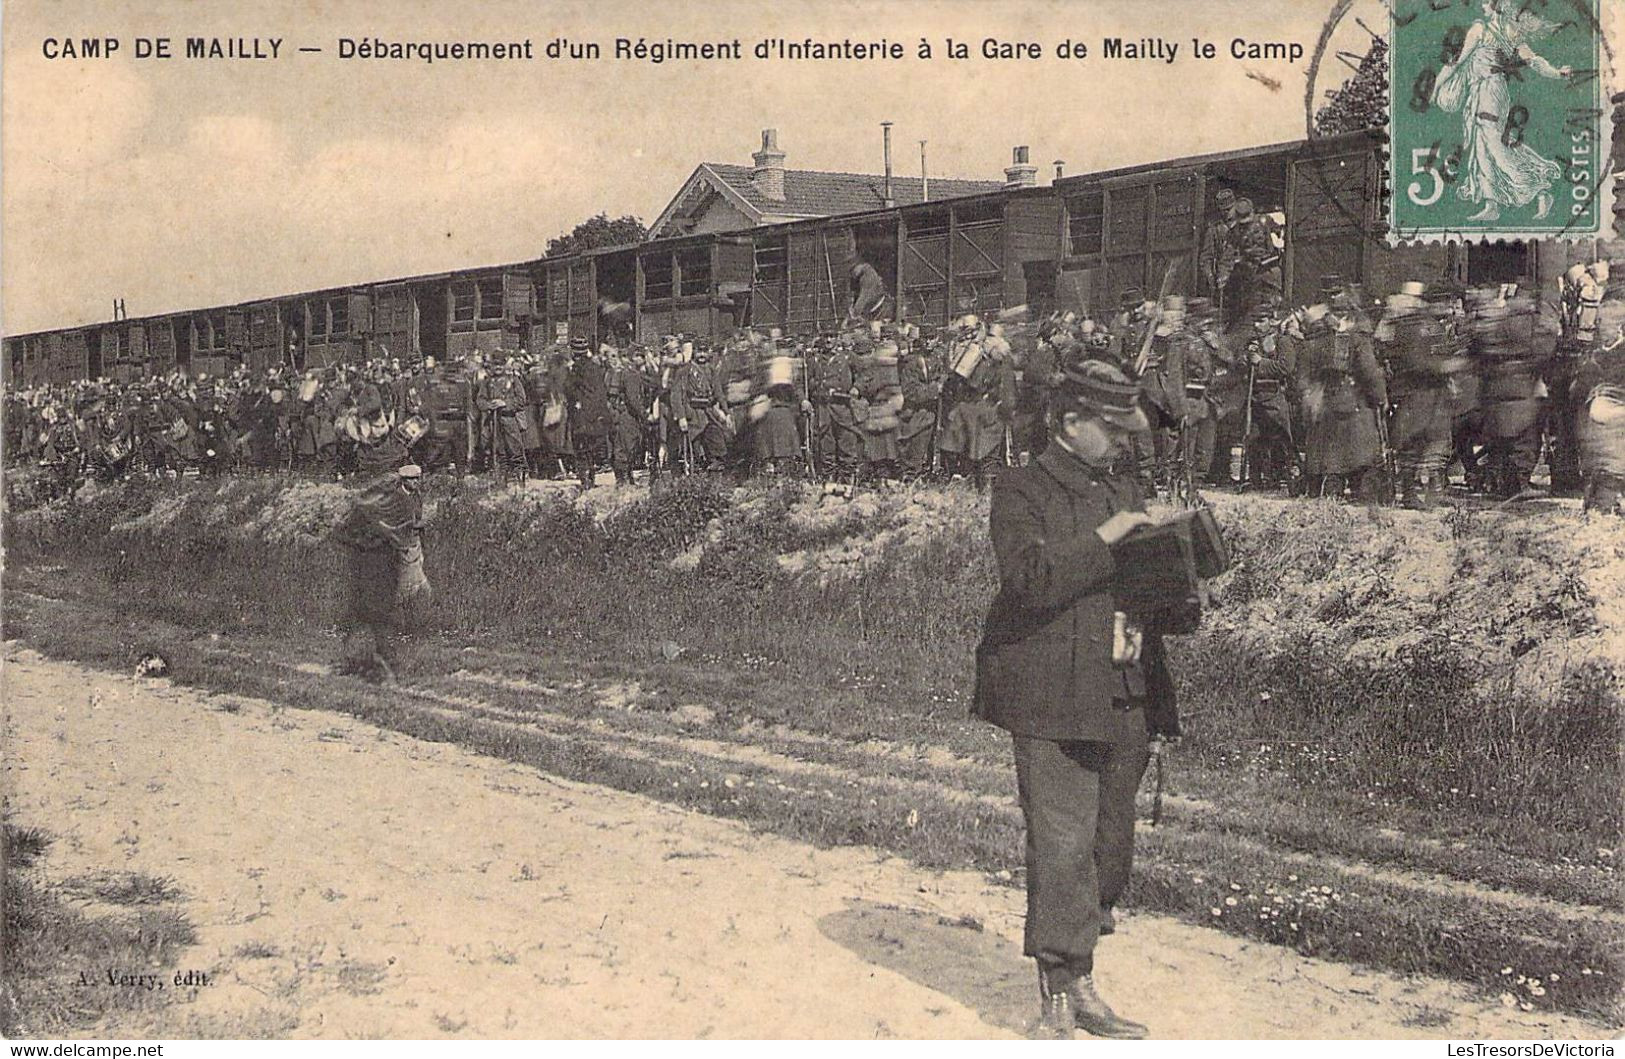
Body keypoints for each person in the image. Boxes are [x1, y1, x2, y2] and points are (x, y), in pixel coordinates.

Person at [974, 360, 1177, 1040]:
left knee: (1109, 842)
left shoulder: (1120, 484)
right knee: (1062, 842)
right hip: (1051, 692)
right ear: (1067, 424)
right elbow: (1029, 581)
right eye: (1112, 428)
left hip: (1124, 686)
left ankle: (1082, 973)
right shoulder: (1022, 487)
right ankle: (1059, 990)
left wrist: (1180, 576)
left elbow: (1152, 590)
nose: (1125, 440)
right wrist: (1109, 537)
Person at [1431, 0, 1571, 223]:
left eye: (1486, 1)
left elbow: (1455, 64)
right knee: (1481, 144)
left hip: (1488, 90)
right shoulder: (1511, 32)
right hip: (1493, 90)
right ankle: (1491, 204)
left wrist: (1436, 87)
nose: (1482, 5)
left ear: (1496, 5)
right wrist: (1557, 73)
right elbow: (1534, 62)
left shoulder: (1480, 29)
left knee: (1494, 143)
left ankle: (1538, 189)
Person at [331, 464, 427, 683]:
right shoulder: (373, 510)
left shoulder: (399, 502)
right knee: (377, 612)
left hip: (387, 561)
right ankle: (384, 662)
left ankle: (378, 658)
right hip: (374, 564)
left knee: (378, 610)